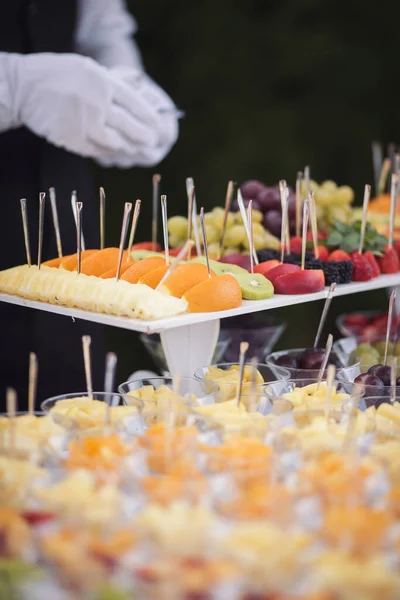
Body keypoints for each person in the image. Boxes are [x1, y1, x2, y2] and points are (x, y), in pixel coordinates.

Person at [0, 0, 179, 409]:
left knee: (73, 416)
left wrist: (123, 83)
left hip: (65, 212)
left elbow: (101, 26)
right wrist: (13, 84)